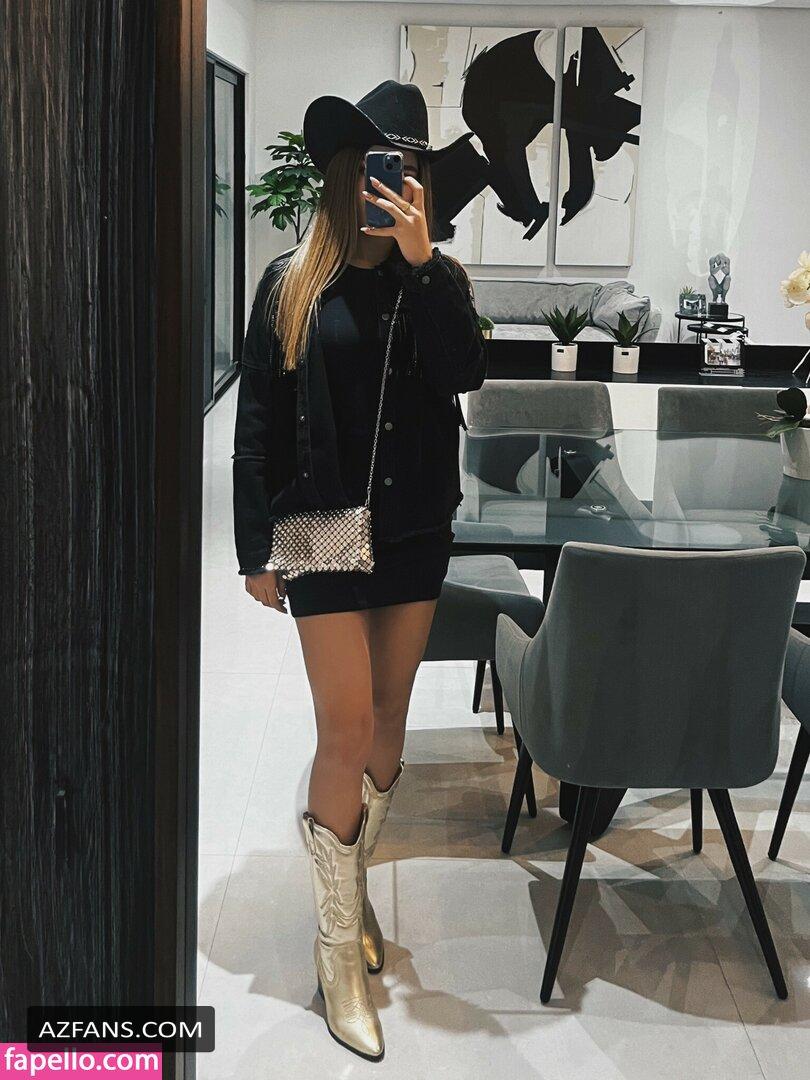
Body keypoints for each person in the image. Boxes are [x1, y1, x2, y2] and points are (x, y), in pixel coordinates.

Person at [232, 79, 487, 1061]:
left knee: (388, 719)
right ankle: (337, 952)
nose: (399, 182)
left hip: (415, 527)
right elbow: (258, 422)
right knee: (344, 728)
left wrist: (423, 268)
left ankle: (352, 886)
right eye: (386, 164)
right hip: (320, 526)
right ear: (349, 172)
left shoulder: (438, 279)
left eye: (412, 168)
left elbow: (464, 374)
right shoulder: (292, 283)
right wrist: (255, 550)